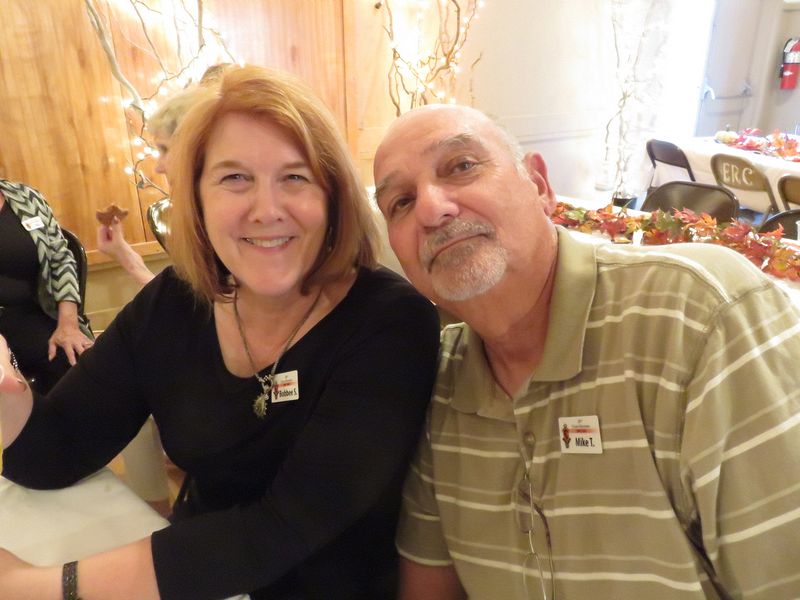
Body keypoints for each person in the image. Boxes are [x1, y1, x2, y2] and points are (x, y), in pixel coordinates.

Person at [0, 65, 440, 599]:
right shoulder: (173, 302)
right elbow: (53, 454)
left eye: (295, 177)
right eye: (235, 178)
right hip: (194, 578)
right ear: (197, 200)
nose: (267, 210)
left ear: (333, 198)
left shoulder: (390, 323)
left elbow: (282, 526)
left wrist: (44, 587)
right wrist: (7, 387)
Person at [372, 104, 800, 600]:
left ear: (539, 185)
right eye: (400, 202)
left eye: (462, 166)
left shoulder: (697, 315)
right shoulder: (439, 382)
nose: (431, 209)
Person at [96, 84, 218, 285]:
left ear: (196, 149)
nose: (159, 167)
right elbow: (187, 298)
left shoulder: (221, 223)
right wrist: (127, 257)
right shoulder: (197, 217)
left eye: (165, 149)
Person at [0, 179, 94, 394]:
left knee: (78, 361)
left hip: (34, 314)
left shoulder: (26, 197)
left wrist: (68, 324)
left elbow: (61, 259)